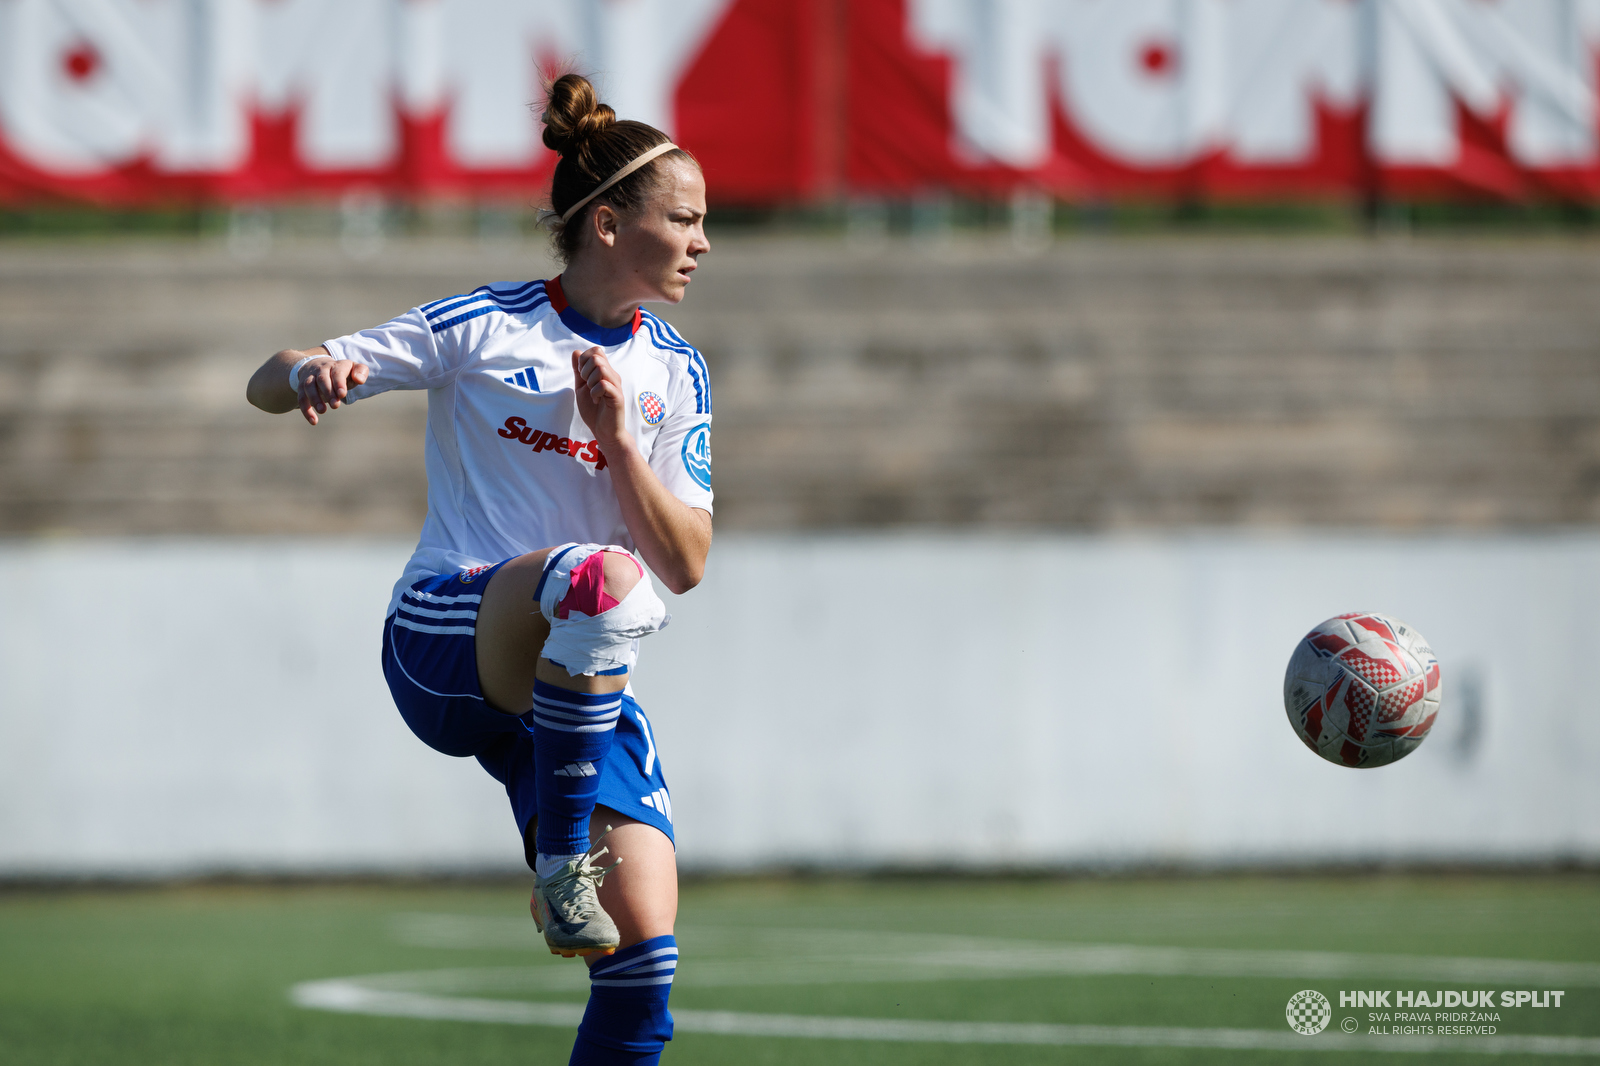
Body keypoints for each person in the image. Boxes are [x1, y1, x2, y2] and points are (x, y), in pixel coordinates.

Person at [245, 73, 711, 1066]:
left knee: (643, 973)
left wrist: (619, 443)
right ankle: (557, 863)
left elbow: (689, 563)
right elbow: (267, 379)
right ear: (608, 224)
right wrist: (304, 374)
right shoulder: (487, 325)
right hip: (446, 636)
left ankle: (567, 858)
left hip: (576, 682)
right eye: (683, 218)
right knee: (601, 581)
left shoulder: (675, 370)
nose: (703, 242)